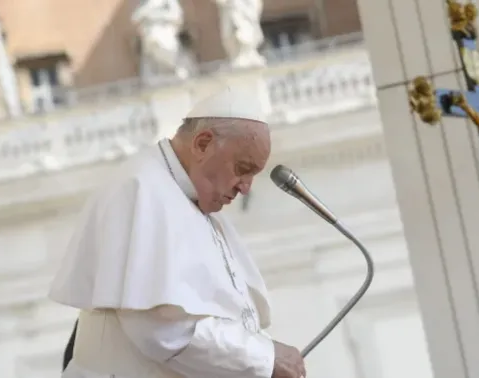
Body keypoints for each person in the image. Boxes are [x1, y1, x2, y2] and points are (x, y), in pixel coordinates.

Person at [49, 86, 306, 378]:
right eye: (242, 168)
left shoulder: (191, 197)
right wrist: (264, 357)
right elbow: (164, 329)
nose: (245, 187)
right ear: (202, 143)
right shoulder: (141, 189)